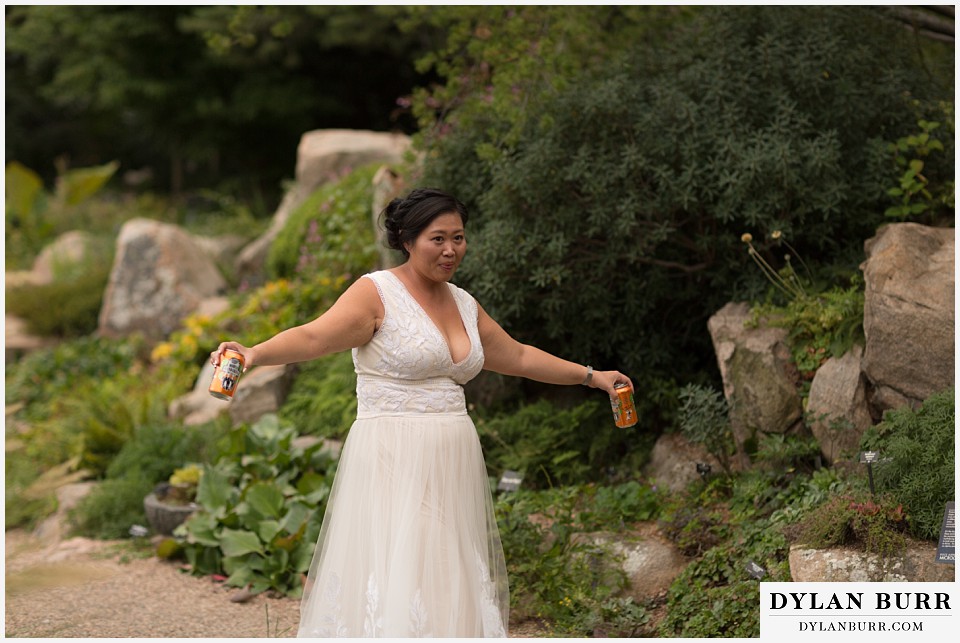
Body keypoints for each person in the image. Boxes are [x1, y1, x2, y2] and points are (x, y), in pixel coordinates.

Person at [210, 187, 634, 638]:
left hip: (452, 461)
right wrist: (254, 354)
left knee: (448, 566)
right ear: (408, 240)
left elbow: (522, 357)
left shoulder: (465, 304)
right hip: (394, 454)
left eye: (459, 238)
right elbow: (315, 338)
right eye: (438, 239)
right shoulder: (377, 293)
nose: (451, 250)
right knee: (406, 566)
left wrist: (592, 376)